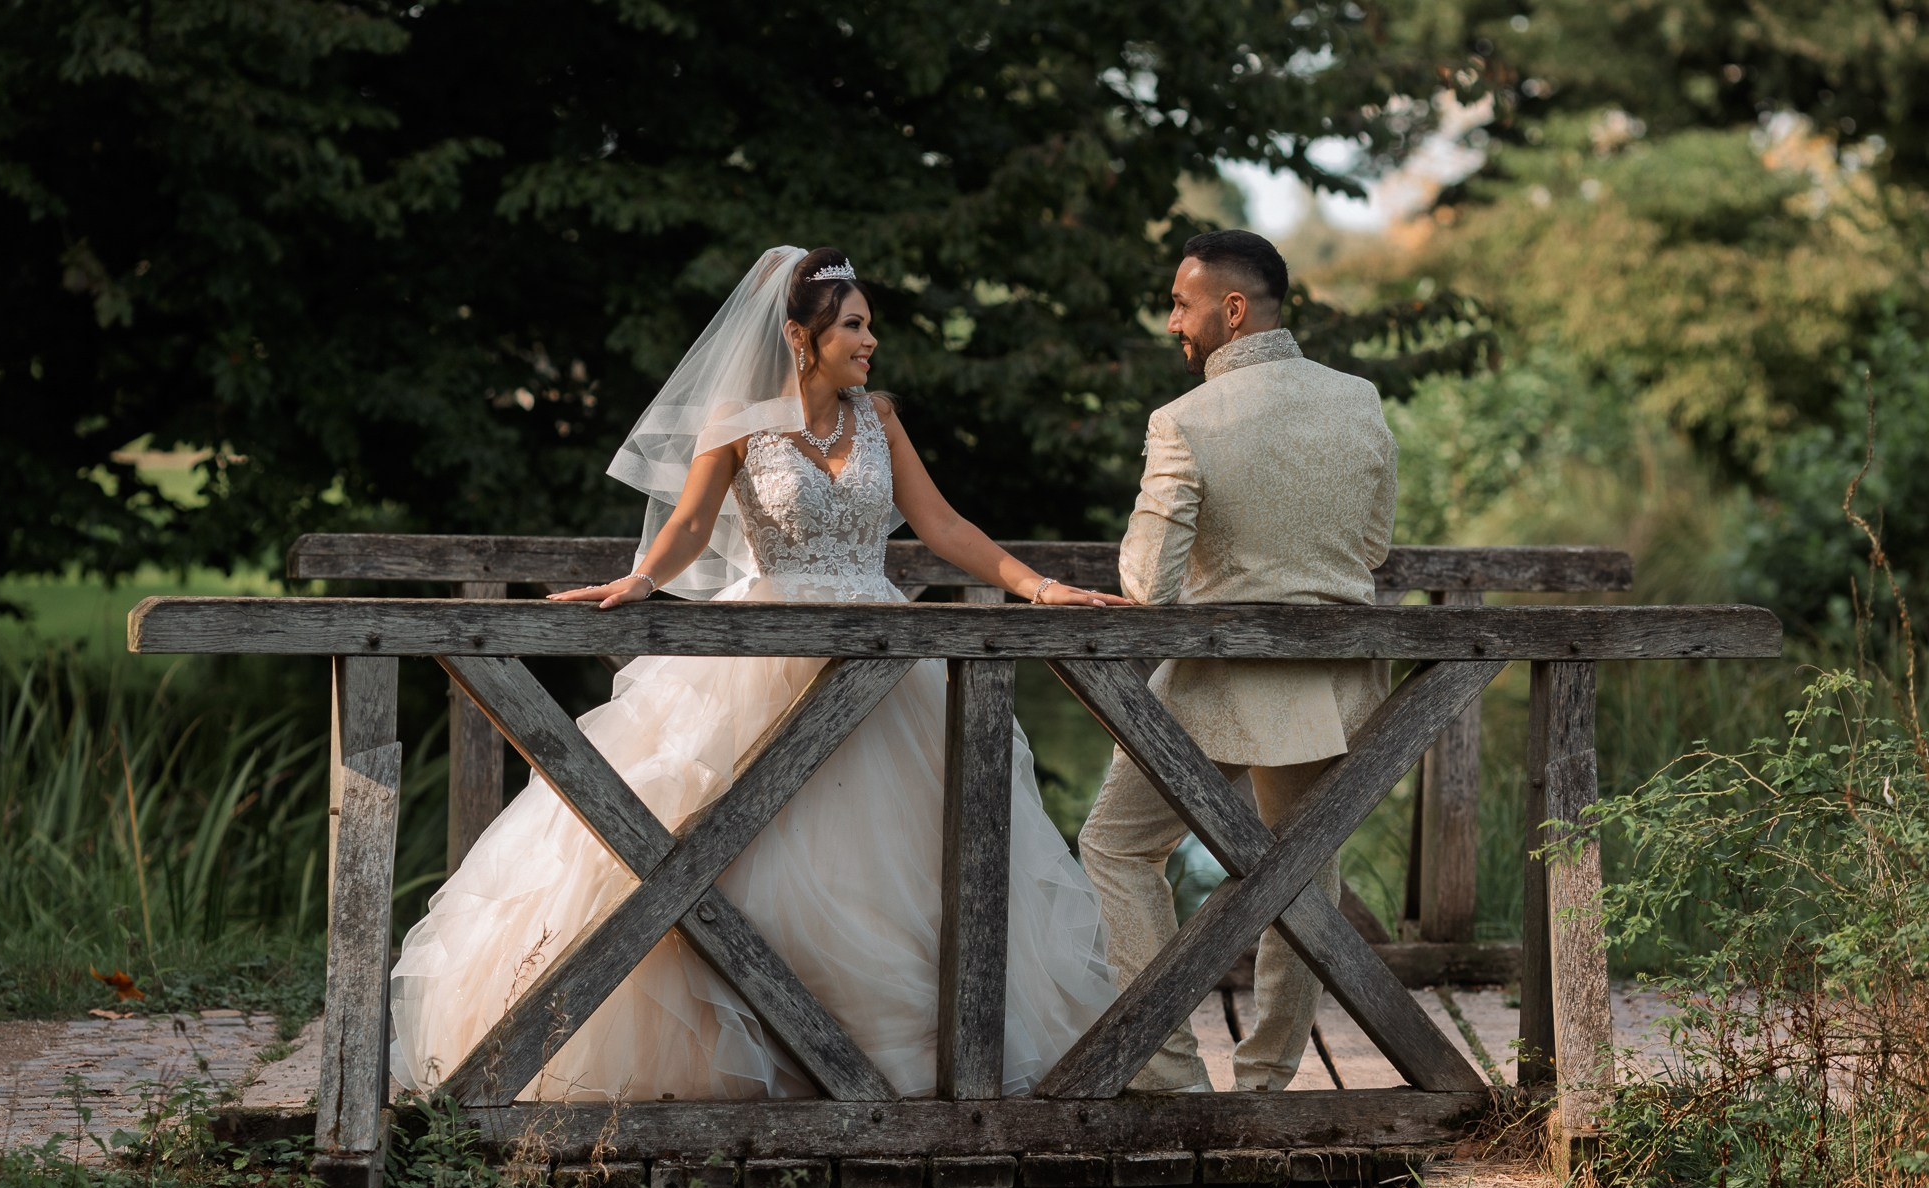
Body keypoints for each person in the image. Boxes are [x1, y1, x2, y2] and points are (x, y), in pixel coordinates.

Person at [390, 246, 1125, 1101]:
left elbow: (942, 524)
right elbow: (692, 524)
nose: (870, 339)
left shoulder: (879, 418)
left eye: (869, 324)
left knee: (900, 863)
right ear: (799, 336)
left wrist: (1035, 585)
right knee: (727, 847)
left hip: (883, 663)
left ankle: (899, 1058)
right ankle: (766, 1049)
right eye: (853, 324)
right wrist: (640, 580)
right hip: (766, 655)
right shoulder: (740, 422)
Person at [1077, 229, 1398, 1094]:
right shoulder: (1359, 398)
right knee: (1302, 870)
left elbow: (1147, 581)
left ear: (1231, 308)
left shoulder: (1184, 422)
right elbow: (1371, 546)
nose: (1171, 322)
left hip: (1218, 683)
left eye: (1181, 305)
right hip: (1333, 685)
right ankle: (1265, 1081)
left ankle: (1168, 1067)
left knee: (1114, 846)